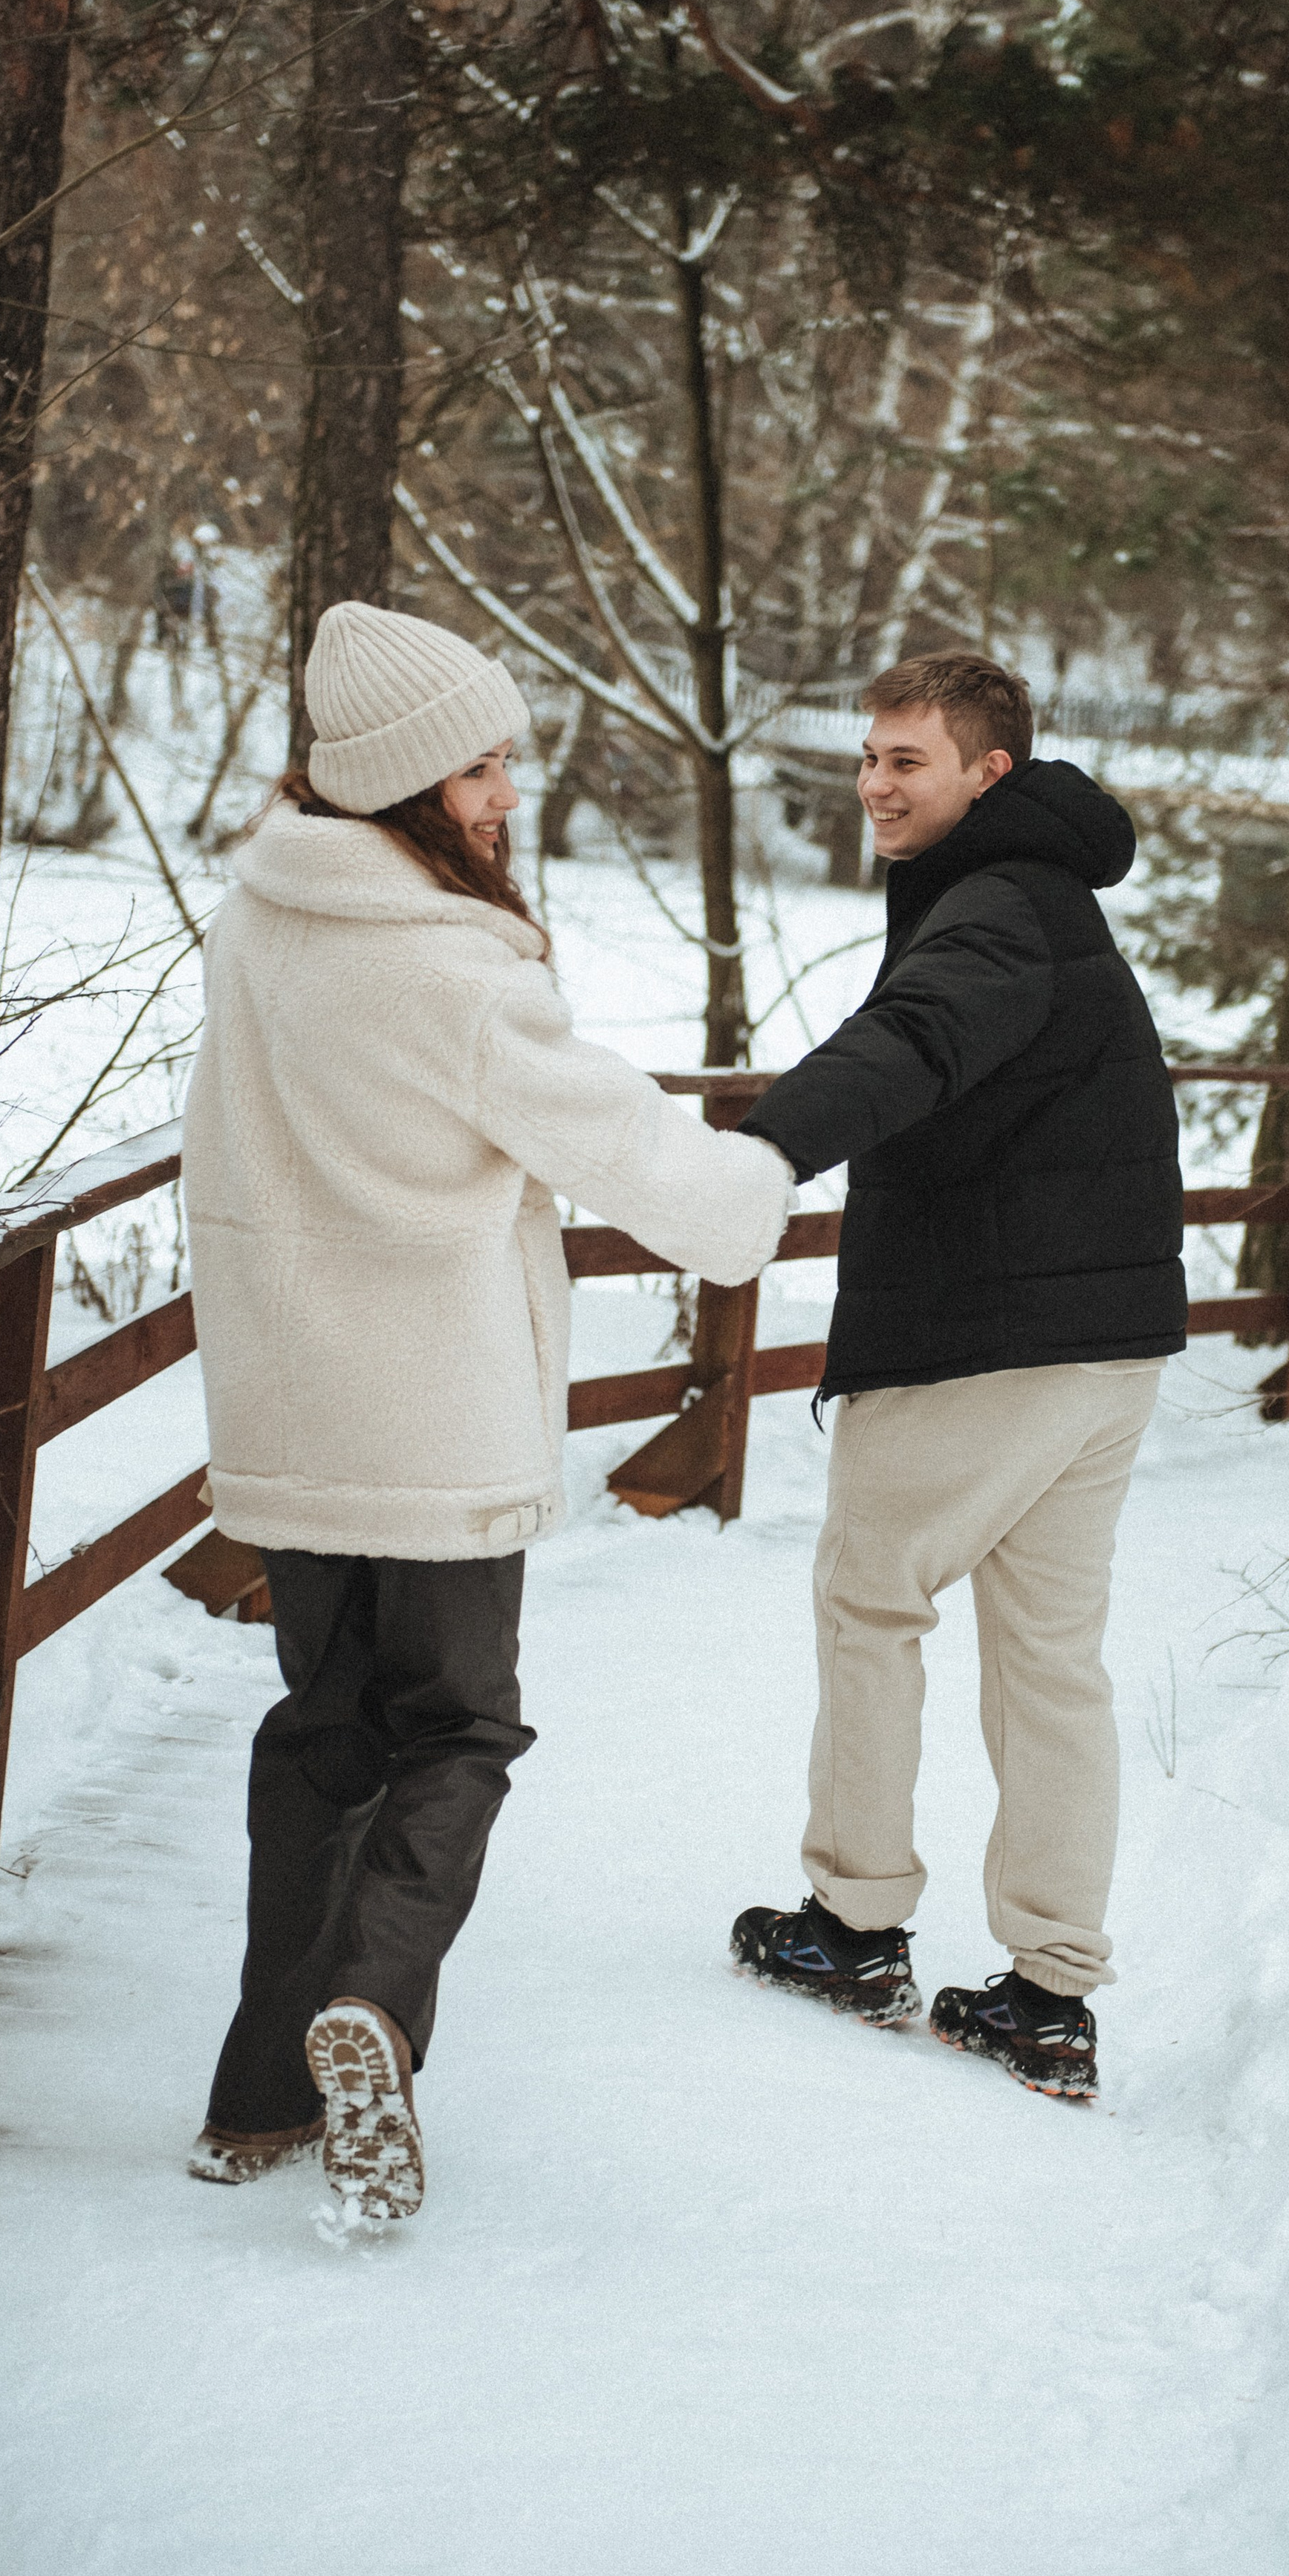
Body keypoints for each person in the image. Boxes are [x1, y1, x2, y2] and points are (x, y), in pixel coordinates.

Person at [181, 600, 791, 2219]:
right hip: (433, 1419)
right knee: (458, 1728)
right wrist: (759, 1183)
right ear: (399, 784)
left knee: (323, 1732)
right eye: (481, 765)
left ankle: (254, 2100)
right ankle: (367, 2007)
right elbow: (625, 1146)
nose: (505, 792)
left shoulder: (255, 921)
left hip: (296, 1409)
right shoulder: (447, 967)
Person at [728, 654, 1185, 2101]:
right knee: (1050, 1664)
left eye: (904, 760)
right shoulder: (1040, 896)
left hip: (987, 1335)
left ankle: (852, 1924)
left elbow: (912, 1040)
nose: (873, 784)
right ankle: (1048, 1996)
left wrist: (763, 1148)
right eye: (866, 756)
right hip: (1102, 1347)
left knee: (870, 1605)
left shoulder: (995, 907)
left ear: (988, 770)